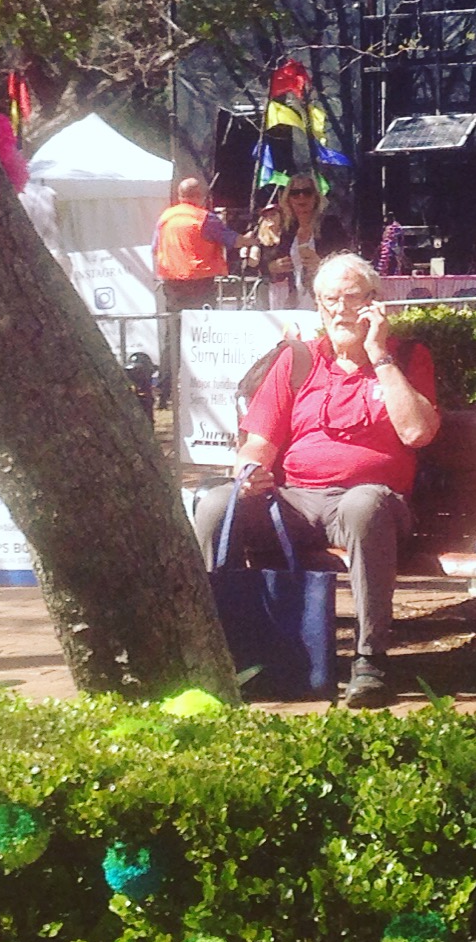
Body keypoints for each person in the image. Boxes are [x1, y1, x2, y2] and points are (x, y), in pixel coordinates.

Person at [192, 252, 441, 708]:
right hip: (293, 501)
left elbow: (417, 433)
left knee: (363, 506)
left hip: (370, 504)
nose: (341, 310)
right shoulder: (298, 359)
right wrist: (249, 472)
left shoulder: (406, 356)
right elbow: (258, 443)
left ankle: (370, 659)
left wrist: (379, 355)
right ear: (318, 306)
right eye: (330, 300)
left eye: (353, 298)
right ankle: (217, 647)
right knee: (215, 503)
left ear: (374, 302)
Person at [246, 175, 329, 311]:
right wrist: (271, 267)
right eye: (295, 193)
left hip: (324, 299)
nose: (301, 197)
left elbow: (346, 261)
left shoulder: (329, 225)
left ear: (316, 197)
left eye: (307, 192)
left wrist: (322, 264)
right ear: (288, 199)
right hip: (293, 301)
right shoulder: (288, 229)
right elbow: (263, 263)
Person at [155, 177, 233, 311]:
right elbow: (231, 240)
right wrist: (250, 239)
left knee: (176, 318)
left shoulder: (165, 217)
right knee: (201, 320)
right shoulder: (205, 218)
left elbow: (155, 247)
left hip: (171, 280)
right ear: (199, 195)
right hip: (200, 282)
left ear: (179, 196)